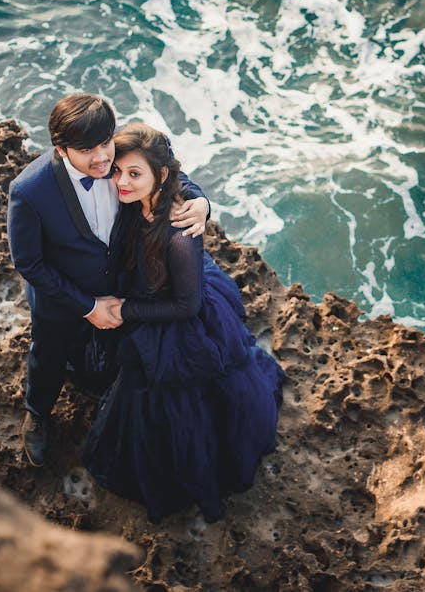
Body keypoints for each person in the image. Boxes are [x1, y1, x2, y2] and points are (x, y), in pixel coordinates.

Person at [82, 122, 284, 522]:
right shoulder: (135, 195)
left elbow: (186, 307)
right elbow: (161, 169)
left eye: (133, 174)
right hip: (149, 294)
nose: (121, 181)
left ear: (160, 176)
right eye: (117, 171)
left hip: (176, 320)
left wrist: (125, 310)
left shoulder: (178, 232)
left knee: (175, 411)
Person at [7, 94, 209, 467]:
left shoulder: (114, 149)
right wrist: (87, 307)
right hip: (62, 299)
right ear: (61, 148)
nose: (102, 158)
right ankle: (37, 413)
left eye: (105, 144)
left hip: (121, 281)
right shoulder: (29, 191)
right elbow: (29, 264)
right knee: (48, 356)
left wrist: (201, 201)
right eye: (87, 150)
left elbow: (161, 166)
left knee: (108, 347)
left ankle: (92, 377)